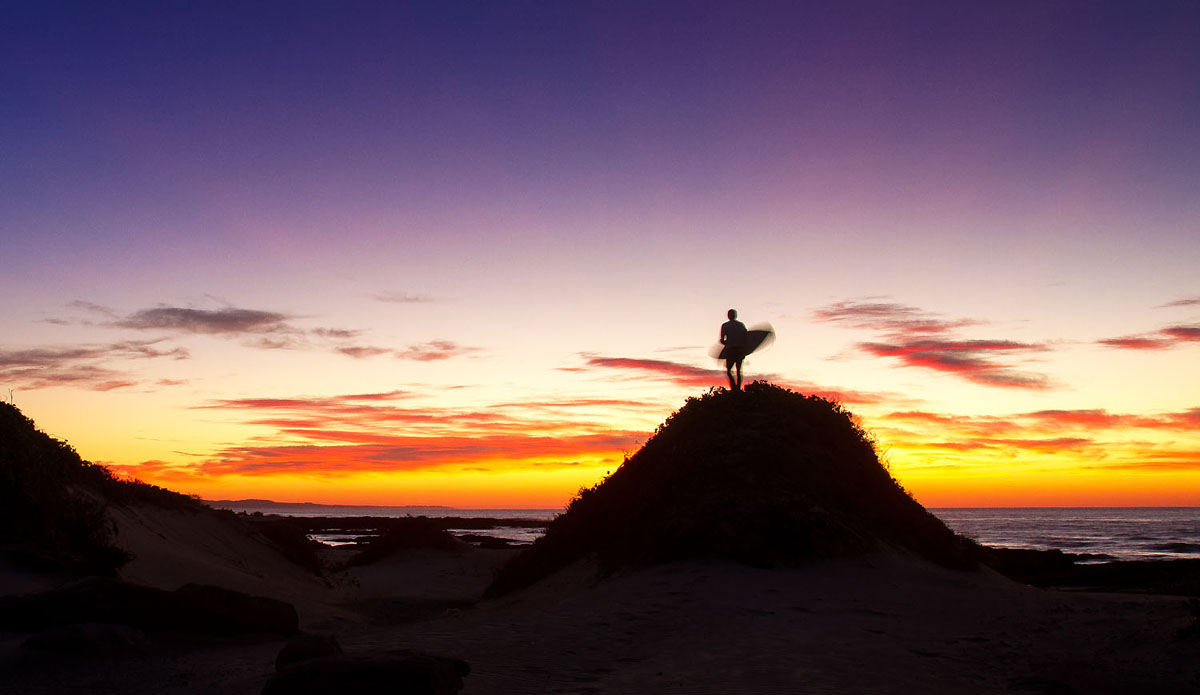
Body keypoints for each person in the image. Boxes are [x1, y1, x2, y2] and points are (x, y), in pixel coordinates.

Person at [719, 309, 748, 390]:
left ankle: (734, 388)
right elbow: (746, 337)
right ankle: (737, 388)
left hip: (730, 350)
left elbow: (722, 339)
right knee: (739, 371)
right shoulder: (741, 325)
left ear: (728, 316)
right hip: (740, 350)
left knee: (729, 371)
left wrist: (725, 342)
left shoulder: (725, 325)